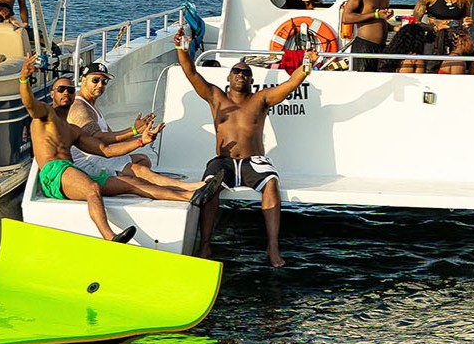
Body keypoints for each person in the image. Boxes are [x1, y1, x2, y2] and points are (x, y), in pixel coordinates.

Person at [20, 58, 216, 245]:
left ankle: (191, 197)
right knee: (92, 189)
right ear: (52, 94)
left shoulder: (73, 131)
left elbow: (105, 150)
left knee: (131, 183)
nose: (66, 93)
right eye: (60, 89)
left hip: (70, 172)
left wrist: (141, 141)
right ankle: (110, 238)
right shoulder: (45, 115)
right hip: (53, 174)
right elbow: (29, 103)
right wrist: (24, 79)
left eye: (70, 90)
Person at [175, 29, 316, 267]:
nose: (241, 74)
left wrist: (308, 63)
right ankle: (205, 243)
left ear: (251, 80)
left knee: (271, 183)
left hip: (254, 161)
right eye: (236, 71)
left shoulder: (260, 99)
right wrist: (181, 48)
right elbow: (190, 71)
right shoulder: (215, 96)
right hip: (224, 161)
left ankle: (272, 246)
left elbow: (292, 83)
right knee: (210, 187)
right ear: (228, 78)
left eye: (246, 73)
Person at [67, 62, 211, 195]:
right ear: (83, 80)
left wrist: (138, 132)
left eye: (104, 82)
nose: (100, 85)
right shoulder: (80, 108)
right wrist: (135, 132)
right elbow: (99, 138)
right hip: (87, 162)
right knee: (139, 170)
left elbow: (111, 137)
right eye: (95, 80)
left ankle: (134, 181)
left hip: (99, 157)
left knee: (143, 160)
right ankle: (191, 188)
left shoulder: (91, 106)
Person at [339, 0, 395, 71]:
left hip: (381, 48)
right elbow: (346, 18)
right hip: (364, 46)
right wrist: (375, 14)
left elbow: (378, 21)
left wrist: (394, 28)